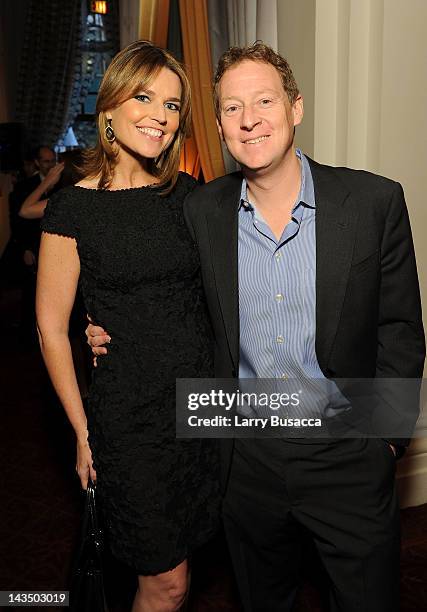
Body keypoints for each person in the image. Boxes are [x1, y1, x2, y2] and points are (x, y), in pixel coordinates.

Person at [87, 43, 425, 611]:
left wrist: (384, 440)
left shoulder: (372, 201)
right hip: (245, 456)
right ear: (219, 125)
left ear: (294, 107)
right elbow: (161, 292)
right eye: (231, 107)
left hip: (345, 447)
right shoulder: (201, 211)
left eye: (264, 100)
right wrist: (102, 327)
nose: (249, 119)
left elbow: (401, 327)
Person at [36, 40, 220, 612]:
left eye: (171, 105)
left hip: (199, 409)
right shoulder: (73, 208)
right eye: (144, 97)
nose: (160, 116)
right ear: (110, 107)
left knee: (185, 575)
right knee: (164, 583)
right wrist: (82, 429)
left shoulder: (190, 198)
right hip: (129, 421)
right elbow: (49, 324)